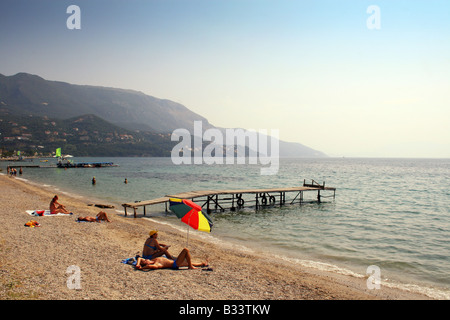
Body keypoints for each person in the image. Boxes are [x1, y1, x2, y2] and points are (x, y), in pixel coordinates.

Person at [135, 248, 207, 270]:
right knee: (185, 250)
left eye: (145, 260)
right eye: (145, 261)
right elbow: (151, 267)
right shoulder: (156, 264)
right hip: (175, 264)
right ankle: (190, 267)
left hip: (174, 261)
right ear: (147, 263)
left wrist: (138, 264)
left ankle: (201, 264)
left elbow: (140, 258)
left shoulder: (153, 260)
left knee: (189, 262)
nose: (145, 259)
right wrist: (142, 268)